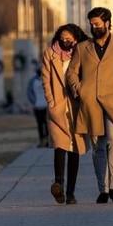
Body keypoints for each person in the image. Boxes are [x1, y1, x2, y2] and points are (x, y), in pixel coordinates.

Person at [67, 6, 113, 204]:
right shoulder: (82, 48)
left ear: (107, 23)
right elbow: (72, 72)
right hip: (90, 103)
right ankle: (103, 189)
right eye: (91, 24)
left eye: (97, 24)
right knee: (98, 147)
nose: (94, 27)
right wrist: (78, 88)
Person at [42, 23, 89, 205]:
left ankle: (71, 193)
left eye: (68, 38)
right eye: (62, 38)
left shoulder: (82, 53)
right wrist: (51, 102)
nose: (64, 41)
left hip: (76, 106)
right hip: (58, 106)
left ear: (76, 38)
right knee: (60, 146)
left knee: (74, 148)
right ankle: (59, 184)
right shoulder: (50, 53)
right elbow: (46, 79)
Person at [27, 69, 49, 147]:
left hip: (46, 106)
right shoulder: (33, 81)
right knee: (40, 124)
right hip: (37, 106)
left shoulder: (47, 79)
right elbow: (29, 92)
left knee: (47, 124)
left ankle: (48, 140)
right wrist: (34, 101)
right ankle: (42, 140)